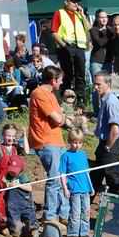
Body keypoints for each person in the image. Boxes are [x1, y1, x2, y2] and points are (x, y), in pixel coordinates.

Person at [29, 66, 69, 224]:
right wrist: (62, 118)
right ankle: (50, 215)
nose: (62, 83)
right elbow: (58, 119)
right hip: (46, 141)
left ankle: (64, 213)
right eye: (60, 80)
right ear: (53, 80)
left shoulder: (51, 95)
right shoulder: (39, 93)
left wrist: (62, 118)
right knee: (54, 179)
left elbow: (60, 117)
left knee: (63, 178)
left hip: (57, 140)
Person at [0, 128, 37, 237]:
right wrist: (6, 183)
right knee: (13, 219)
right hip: (12, 202)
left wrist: (18, 185)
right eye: (12, 170)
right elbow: (3, 180)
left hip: (25, 201)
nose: (13, 173)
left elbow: (30, 188)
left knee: (30, 219)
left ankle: (35, 236)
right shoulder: (8, 175)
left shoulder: (23, 176)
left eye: (15, 171)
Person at [51, 0, 90, 107]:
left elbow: (89, 28)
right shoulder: (59, 13)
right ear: (66, 2)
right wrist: (64, 45)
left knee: (80, 74)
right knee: (67, 74)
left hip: (79, 47)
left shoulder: (79, 15)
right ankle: (65, 101)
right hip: (65, 47)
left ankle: (80, 100)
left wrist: (83, 15)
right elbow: (54, 32)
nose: (76, 4)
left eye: (77, 2)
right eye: (73, 1)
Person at [91, 72, 119, 195]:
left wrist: (107, 147)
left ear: (108, 84)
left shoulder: (111, 102)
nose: (96, 87)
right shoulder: (105, 100)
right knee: (96, 176)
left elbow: (115, 130)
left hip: (111, 144)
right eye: (95, 84)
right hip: (105, 143)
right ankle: (85, 204)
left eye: (99, 84)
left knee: (112, 178)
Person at [59, 128, 94, 237]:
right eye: (74, 142)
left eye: (79, 142)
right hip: (74, 190)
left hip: (85, 189)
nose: (77, 145)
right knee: (75, 212)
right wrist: (65, 188)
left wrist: (91, 187)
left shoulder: (83, 155)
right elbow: (62, 174)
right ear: (69, 141)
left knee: (86, 212)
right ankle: (72, 234)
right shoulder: (66, 156)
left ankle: (84, 232)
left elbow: (87, 173)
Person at [89, 10, 113, 116]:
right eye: (101, 17)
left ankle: (105, 110)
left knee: (107, 87)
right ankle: (96, 112)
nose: (104, 19)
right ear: (97, 19)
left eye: (105, 17)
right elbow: (100, 42)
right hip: (96, 61)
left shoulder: (111, 30)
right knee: (97, 87)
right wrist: (108, 33)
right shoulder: (93, 30)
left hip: (108, 62)